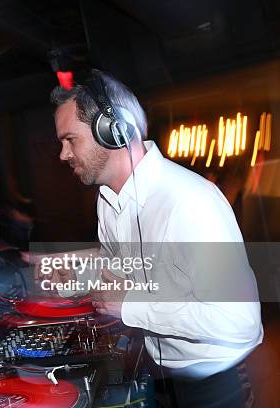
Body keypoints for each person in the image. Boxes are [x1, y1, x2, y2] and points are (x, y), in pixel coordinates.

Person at [45, 69, 263, 407]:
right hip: (161, 376)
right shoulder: (108, 201)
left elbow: (238, 322)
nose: (63, 154)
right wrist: (79, 273)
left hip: (215, 384)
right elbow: (126, 266)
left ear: (111, 129)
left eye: (70, 139)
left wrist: (132, 306)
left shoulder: (190, 201)